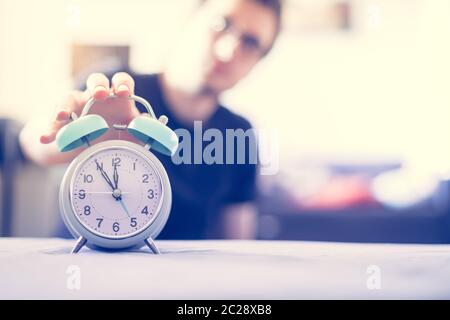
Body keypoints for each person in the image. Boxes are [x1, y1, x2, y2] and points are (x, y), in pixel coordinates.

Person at [19, 0, 283, 240]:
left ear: (256, 65)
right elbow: (32, 144)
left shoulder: (239, 134)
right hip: (84, 267)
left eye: (249, 43)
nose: (227, 50)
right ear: (190, 21)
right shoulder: (114, 92)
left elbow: (236, 243)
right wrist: (74, 134)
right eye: (221, 24)